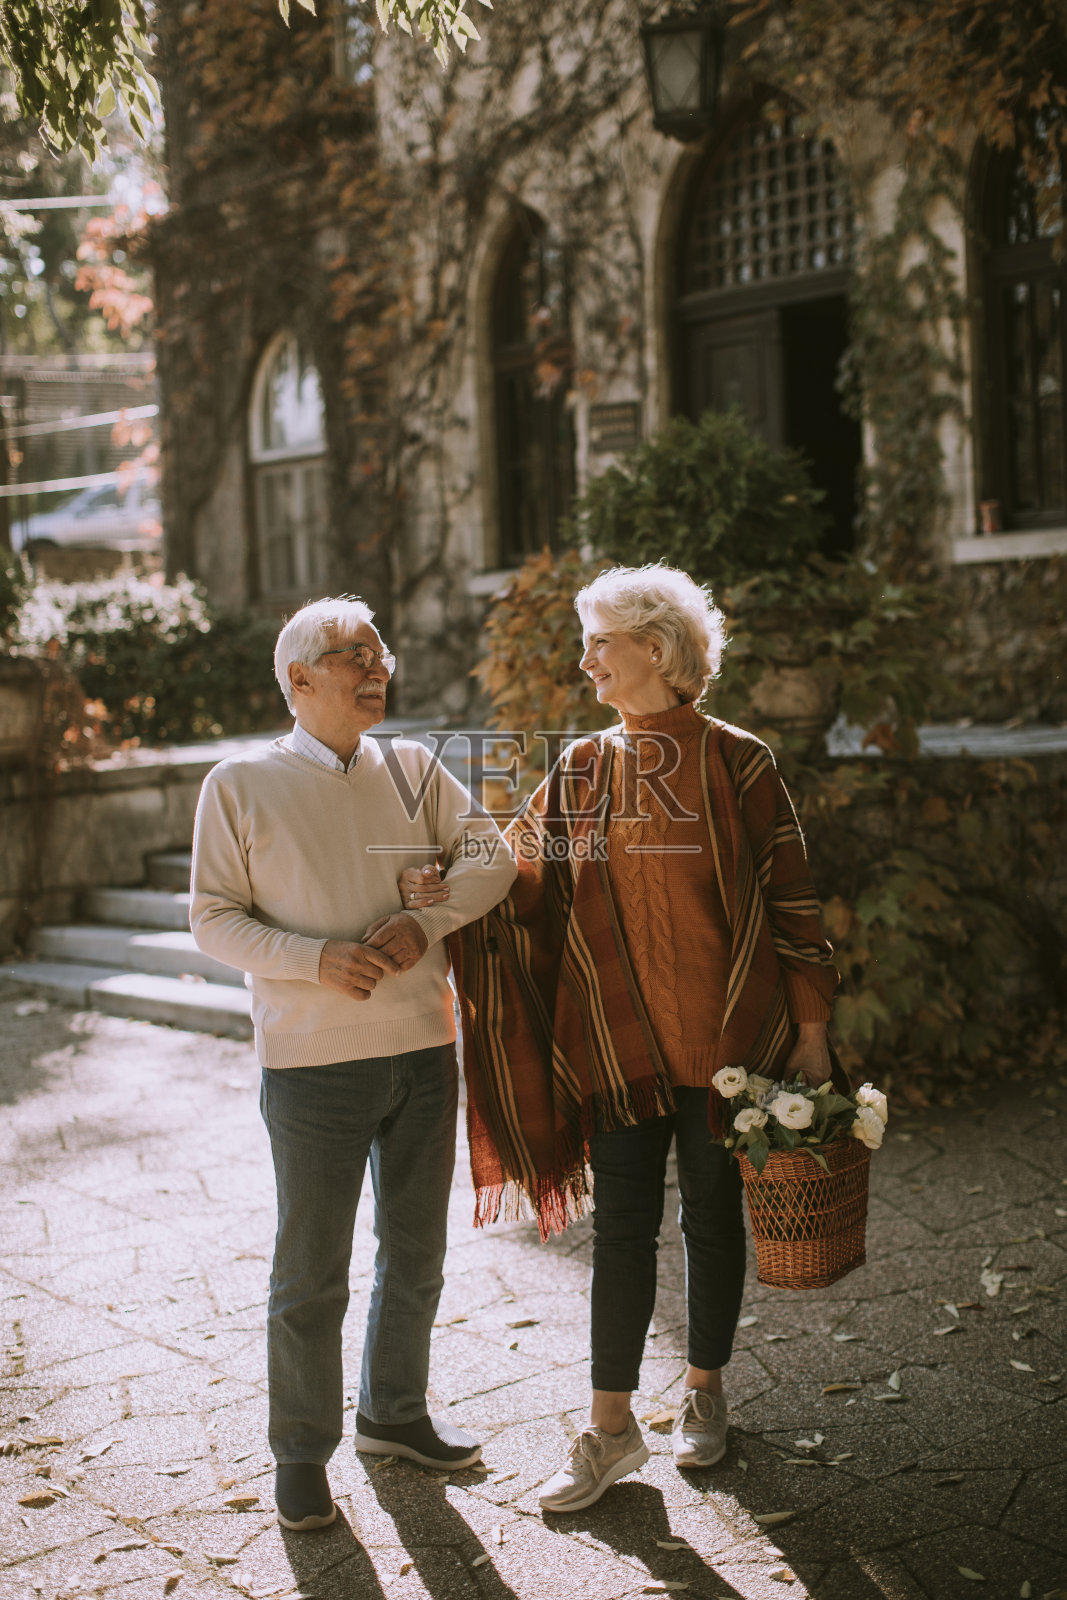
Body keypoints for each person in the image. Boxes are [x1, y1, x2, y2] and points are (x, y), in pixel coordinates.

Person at [403, 563, 839, 1513]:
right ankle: (609, 1428)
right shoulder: (583, 768)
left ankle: (705, 1394)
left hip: (729, 1043)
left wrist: (809, 1038)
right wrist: (446, 882)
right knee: (622, 1232)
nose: (586, 659)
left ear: (657, 648)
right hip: (617, 1046)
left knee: (713, 1219)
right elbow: (525, 876)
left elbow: (793, 908)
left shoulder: (738, 762)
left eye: (601, 641)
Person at [190, 596, 516, 1532]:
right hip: (311, 1063)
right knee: (311, 1270)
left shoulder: (414, 766)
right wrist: (313, 958)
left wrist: (429, 917)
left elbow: (492, 856)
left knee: (416, 1253)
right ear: (298, 681)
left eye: (380, 655)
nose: (376, 670)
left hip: (424, 1046)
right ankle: (300, 1452)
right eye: (351, 656)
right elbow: (212, 916)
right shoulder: (240, 782)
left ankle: (394, 1413)